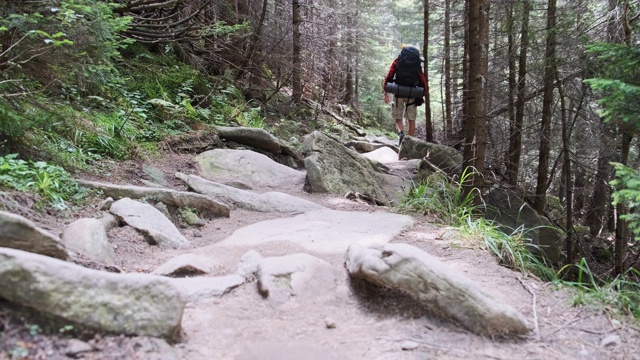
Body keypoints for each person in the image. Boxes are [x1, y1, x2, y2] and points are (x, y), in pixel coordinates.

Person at [383, 44, 428, 145]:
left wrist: (386, 91)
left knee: (398, 118)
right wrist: (422, 94)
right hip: (412, 94)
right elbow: (422, 79)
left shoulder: (398, 60)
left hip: (398, 92)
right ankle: (409, 143)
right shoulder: (417, 63)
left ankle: (401, 134)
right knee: (412, 120)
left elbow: (390, 75)